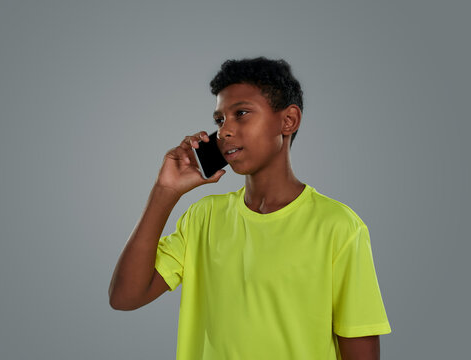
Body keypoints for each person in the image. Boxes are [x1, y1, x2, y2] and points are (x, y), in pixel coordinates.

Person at [109, 57, 391, 360]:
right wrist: (164, 192)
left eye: (241, 113)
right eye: (219, 120)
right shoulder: (203, 218)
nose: (224, 131)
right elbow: (125, 297)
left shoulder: (339, 227)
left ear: (288, 121)